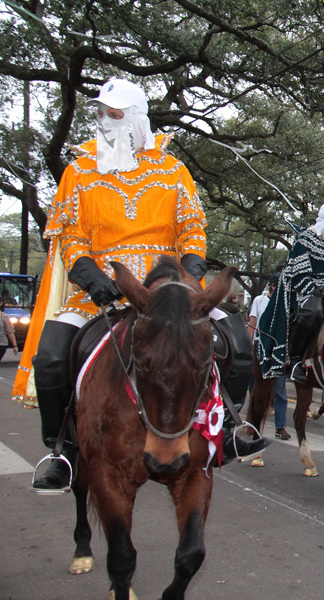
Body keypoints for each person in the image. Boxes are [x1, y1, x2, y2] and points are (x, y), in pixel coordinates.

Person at [22, 79, 269, 491]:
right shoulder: (79, 170)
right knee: (49, 357)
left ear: (137, 118)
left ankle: (227, 426)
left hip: (169, 290)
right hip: (98, 291)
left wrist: (189, 274)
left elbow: (192, 229)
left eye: (114, 114)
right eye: (100, 113)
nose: (104, 121)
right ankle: (62, 451)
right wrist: (92, 278)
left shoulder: (173, 170)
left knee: (239, 344)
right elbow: (72, 236)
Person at [255, 200, 324, 384]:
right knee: (313, 311)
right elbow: (300, 276)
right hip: (309, 292)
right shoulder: (306, 240)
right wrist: (321, 292)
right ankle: (293, 361)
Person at [248, 274, 289, 440]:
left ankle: (280, 427)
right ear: (272, 286)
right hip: (259, 348)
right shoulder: (259, 300)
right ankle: (253, 423)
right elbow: (252, 323)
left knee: (280, 391)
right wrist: (246, 345)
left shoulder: (285, 303)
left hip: (276, 350)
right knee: (256, 390)